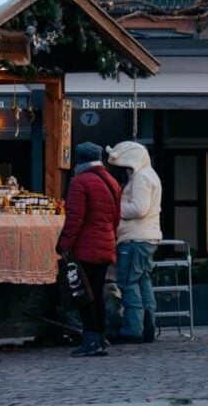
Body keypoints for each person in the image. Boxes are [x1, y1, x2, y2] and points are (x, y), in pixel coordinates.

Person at [57, 141, 121, 358]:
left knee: (84, 294)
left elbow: (75, 218)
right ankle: (100, 337)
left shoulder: (80, 182)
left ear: (80, 160)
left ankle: (91, 339)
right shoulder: (111, 181)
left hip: (85, 246)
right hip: (105, 244)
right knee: (98, 293)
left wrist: (65, 244)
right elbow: (116, 218)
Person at [105, 141, 162, 344]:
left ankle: (133, 330)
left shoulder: (141, 177)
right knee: (143, 282)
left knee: (128, 283)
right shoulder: (149, 175)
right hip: (147, 237)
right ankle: (147, 327)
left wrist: (115, 209)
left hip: (135, 238)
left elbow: (139, 208)